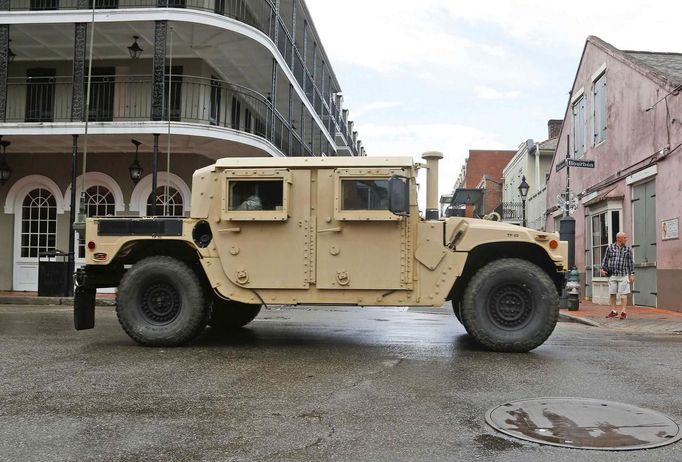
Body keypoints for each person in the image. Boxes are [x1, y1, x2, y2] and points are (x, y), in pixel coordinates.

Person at [600, 231, 635, 319]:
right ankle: (614, 311)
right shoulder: (610, 247)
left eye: (626, 237)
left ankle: (623, 312)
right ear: (618, 238)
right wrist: (602, 269)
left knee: (623, 294)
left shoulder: (627, 249)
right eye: (625, 238)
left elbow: (630, 263)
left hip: (623, 274)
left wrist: (632, 274)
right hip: (612, 274)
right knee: (612, 293)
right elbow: (605, 259)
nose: (626, 239)